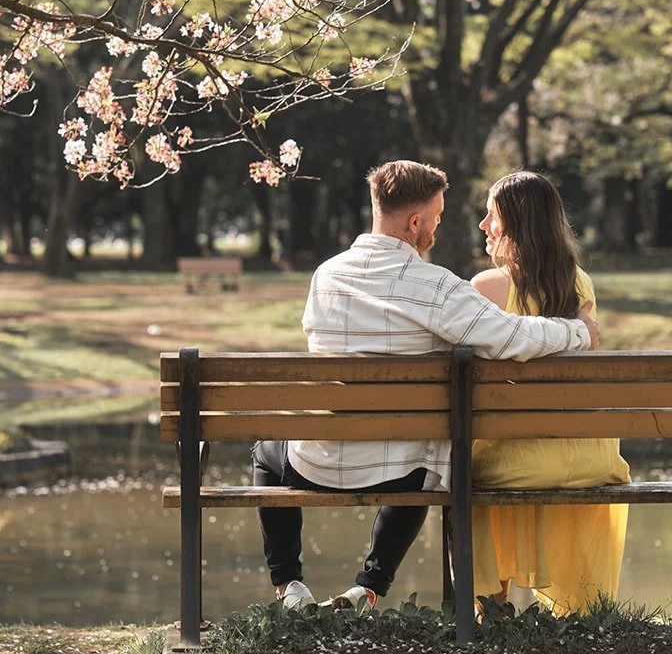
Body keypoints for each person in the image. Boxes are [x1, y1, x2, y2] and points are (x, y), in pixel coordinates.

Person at [256, 160, 602, 613]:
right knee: (426, 455)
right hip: (404, 470)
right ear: (414, 222)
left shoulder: (326, 276)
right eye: (437, 217)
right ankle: (370, 585)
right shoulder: (437, 286)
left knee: (266, 450)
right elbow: (512, 336)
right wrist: (579, 332)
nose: (439, 226)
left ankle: (291, 587)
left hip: (316, 463)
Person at [468, 171, 631, 615]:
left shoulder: (486, 289)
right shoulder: (580, 283)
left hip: (511, 462)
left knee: (476, 460)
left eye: (492, 215)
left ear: (517, 225)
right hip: (587, 458)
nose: (483, 225)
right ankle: (560, 607)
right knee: (527, 449)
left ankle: (495, 605)